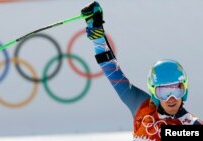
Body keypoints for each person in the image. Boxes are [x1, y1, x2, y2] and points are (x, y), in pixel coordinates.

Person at [81, 1, 202, 140]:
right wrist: (98, 37)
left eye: (176, 90)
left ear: (185, 90)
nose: (172, 99)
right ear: (154, 93)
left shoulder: (192, 127)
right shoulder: (142, 106)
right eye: (164, 92)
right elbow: (113, 72)